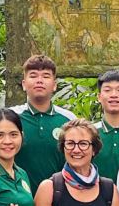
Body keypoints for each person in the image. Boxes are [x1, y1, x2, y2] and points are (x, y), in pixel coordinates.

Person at [12, 54, 77, 185]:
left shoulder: (69, 119)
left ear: (54, 85)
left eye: (46, 76)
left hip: (60, 193)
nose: (39, 80)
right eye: (33, 76)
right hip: (19, 193)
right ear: (24, 84)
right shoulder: (11, 117)